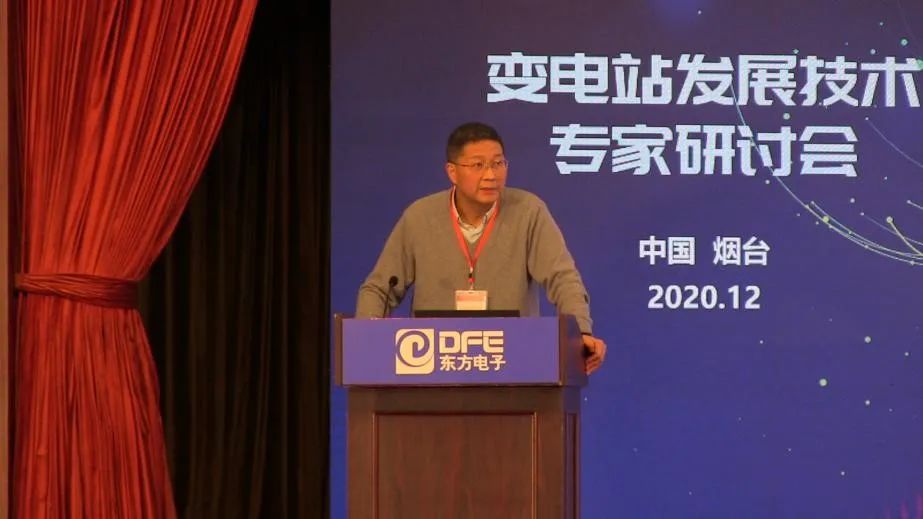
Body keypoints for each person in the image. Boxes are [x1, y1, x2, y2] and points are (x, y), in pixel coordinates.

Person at [355, 122, 607, 374]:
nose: (491, 175)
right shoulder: (420, 217)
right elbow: (379, 288)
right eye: (478, 165)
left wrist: (580, 332)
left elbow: (563, 279)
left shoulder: (529, 212)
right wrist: (366, 341)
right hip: (435, 365)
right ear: (452, 172)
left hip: (513, 362)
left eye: (498, 163)